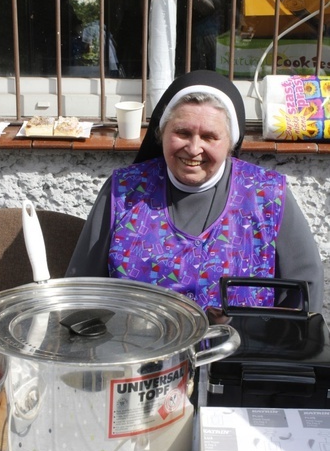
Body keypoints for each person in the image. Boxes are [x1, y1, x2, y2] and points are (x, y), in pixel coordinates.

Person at [66, 70, 324, 316]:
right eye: (182, 132)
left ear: (230, 144)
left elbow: (306, 292)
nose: (193, 148)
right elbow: (81, 290)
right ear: (161, 133)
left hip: (240, 355)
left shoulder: (267, 195)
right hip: (140, 355)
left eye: (210, 136)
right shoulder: (123, 192)